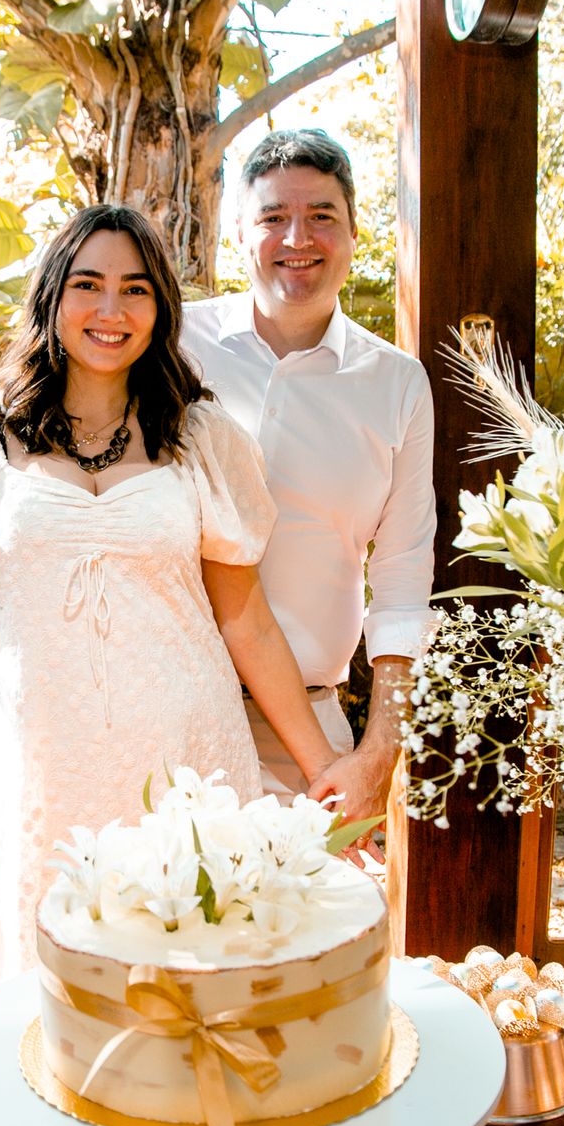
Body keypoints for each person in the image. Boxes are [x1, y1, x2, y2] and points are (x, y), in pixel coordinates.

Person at [0, 203, 341, 982]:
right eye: (88, 285)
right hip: (37, 766)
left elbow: (245, 619)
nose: (110, 310)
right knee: (48, 998)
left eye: (135, 289)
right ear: (52, 297)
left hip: (183, 759)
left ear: (160, 308)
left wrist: (323, 769)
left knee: (190, 986)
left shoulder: (201, 436)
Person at [182, 129, 437, 824]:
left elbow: (403, 582)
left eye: (322, 215)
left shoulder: (397, 385)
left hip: (313, 743)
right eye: (273, 217)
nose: (298, 238)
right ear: (240, 233)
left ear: (354, 233)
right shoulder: (172, 346)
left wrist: (379, 756)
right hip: (167, 715)